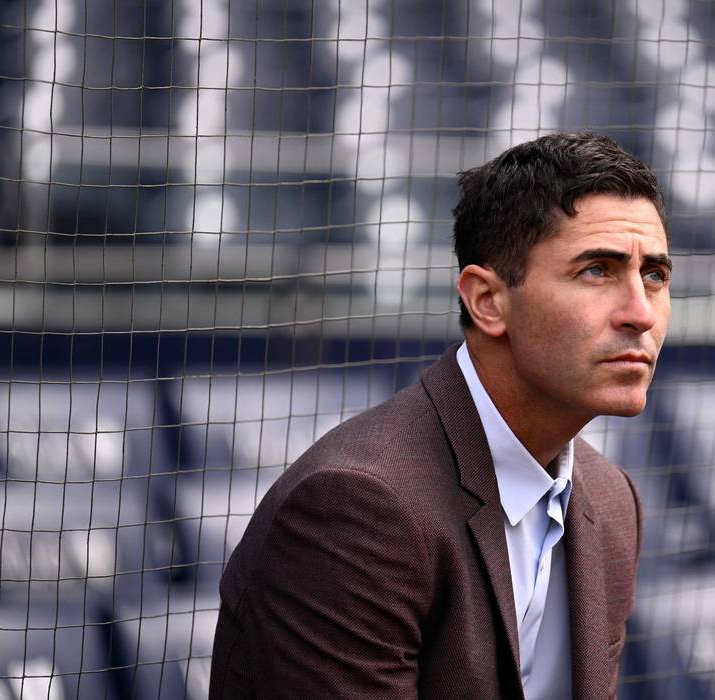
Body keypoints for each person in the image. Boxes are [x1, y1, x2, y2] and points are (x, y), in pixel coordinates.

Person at [208, 132, 672, 699]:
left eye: (655, 275)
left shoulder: (613, 500)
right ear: (487, 301)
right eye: (597, 270)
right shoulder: (357, 508)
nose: (641, 313)